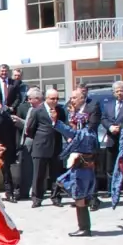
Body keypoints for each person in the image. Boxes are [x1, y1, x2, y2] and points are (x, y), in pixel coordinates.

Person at [51, 92, 100, 237]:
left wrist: (57, 122)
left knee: (79, 196)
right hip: (80, 167)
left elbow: (73, 134)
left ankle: (84, 227)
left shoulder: (87, 133)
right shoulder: (84, 131)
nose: (71, 100)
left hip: (82, 168)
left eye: (74, 97)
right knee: (67, 185)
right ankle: (84, 226)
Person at [25, 87, 66, 207]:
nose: (55, 101)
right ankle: (37, 198)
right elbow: (30, 129)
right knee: (39, 174)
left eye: (57, 99)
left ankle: (56, 197)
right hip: (41, 146)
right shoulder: (37, 111)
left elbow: (64, 125)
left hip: (56, 146)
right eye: (53, 98)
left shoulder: (61, 110)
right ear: (46, 98)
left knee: (56, 174)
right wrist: (40, 138)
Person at [100, 81, 123, 196]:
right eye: (117, 91)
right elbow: (104, 119)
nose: (119, 93)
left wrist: (120, 127)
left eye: (121, 91)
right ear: (113, 93)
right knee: (110, 167)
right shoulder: (108, 105)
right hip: (111, 139)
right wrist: (110, 127)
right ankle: (111, 191)